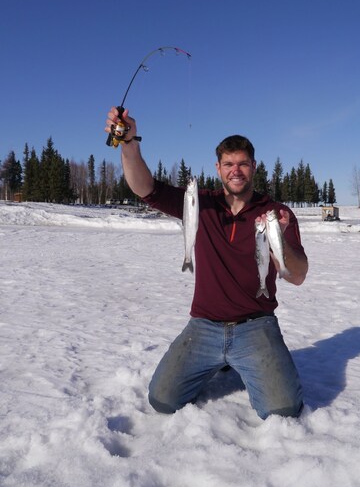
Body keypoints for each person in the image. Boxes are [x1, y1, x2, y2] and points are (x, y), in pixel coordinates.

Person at [105, 107, 309, 419]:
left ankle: (246, 360)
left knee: (282, 410)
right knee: (162, 400)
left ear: (254, 167)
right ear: (218, 167)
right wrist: (130, 143)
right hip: (204, 326)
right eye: (228, 164)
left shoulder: (275, 213)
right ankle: (220, 360)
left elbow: (297, 276)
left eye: (242, 163)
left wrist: (278, 240)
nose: (235, 170)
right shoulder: (200, 204)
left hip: (256, 325)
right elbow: (144, 188)